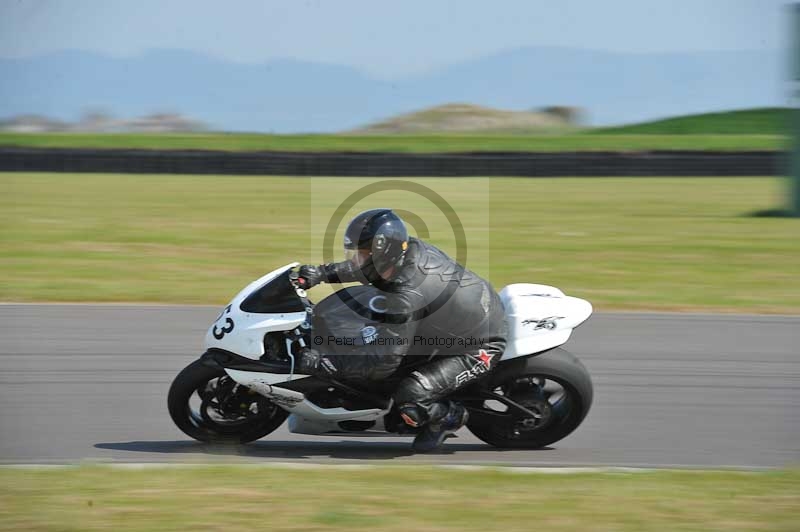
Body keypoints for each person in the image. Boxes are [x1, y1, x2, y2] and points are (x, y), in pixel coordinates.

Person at [296, 208, 507, 452]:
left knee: (409, 395)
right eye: (355, 253)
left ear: (384, 254)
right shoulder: (406, 251)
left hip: (479, 343)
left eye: (361, 254)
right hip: (457, 317)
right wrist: (323, 273)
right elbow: (366, 266)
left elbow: (383, 363)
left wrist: (326, 365)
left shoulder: (406, 296)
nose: (356, 260)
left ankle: (447, 416)